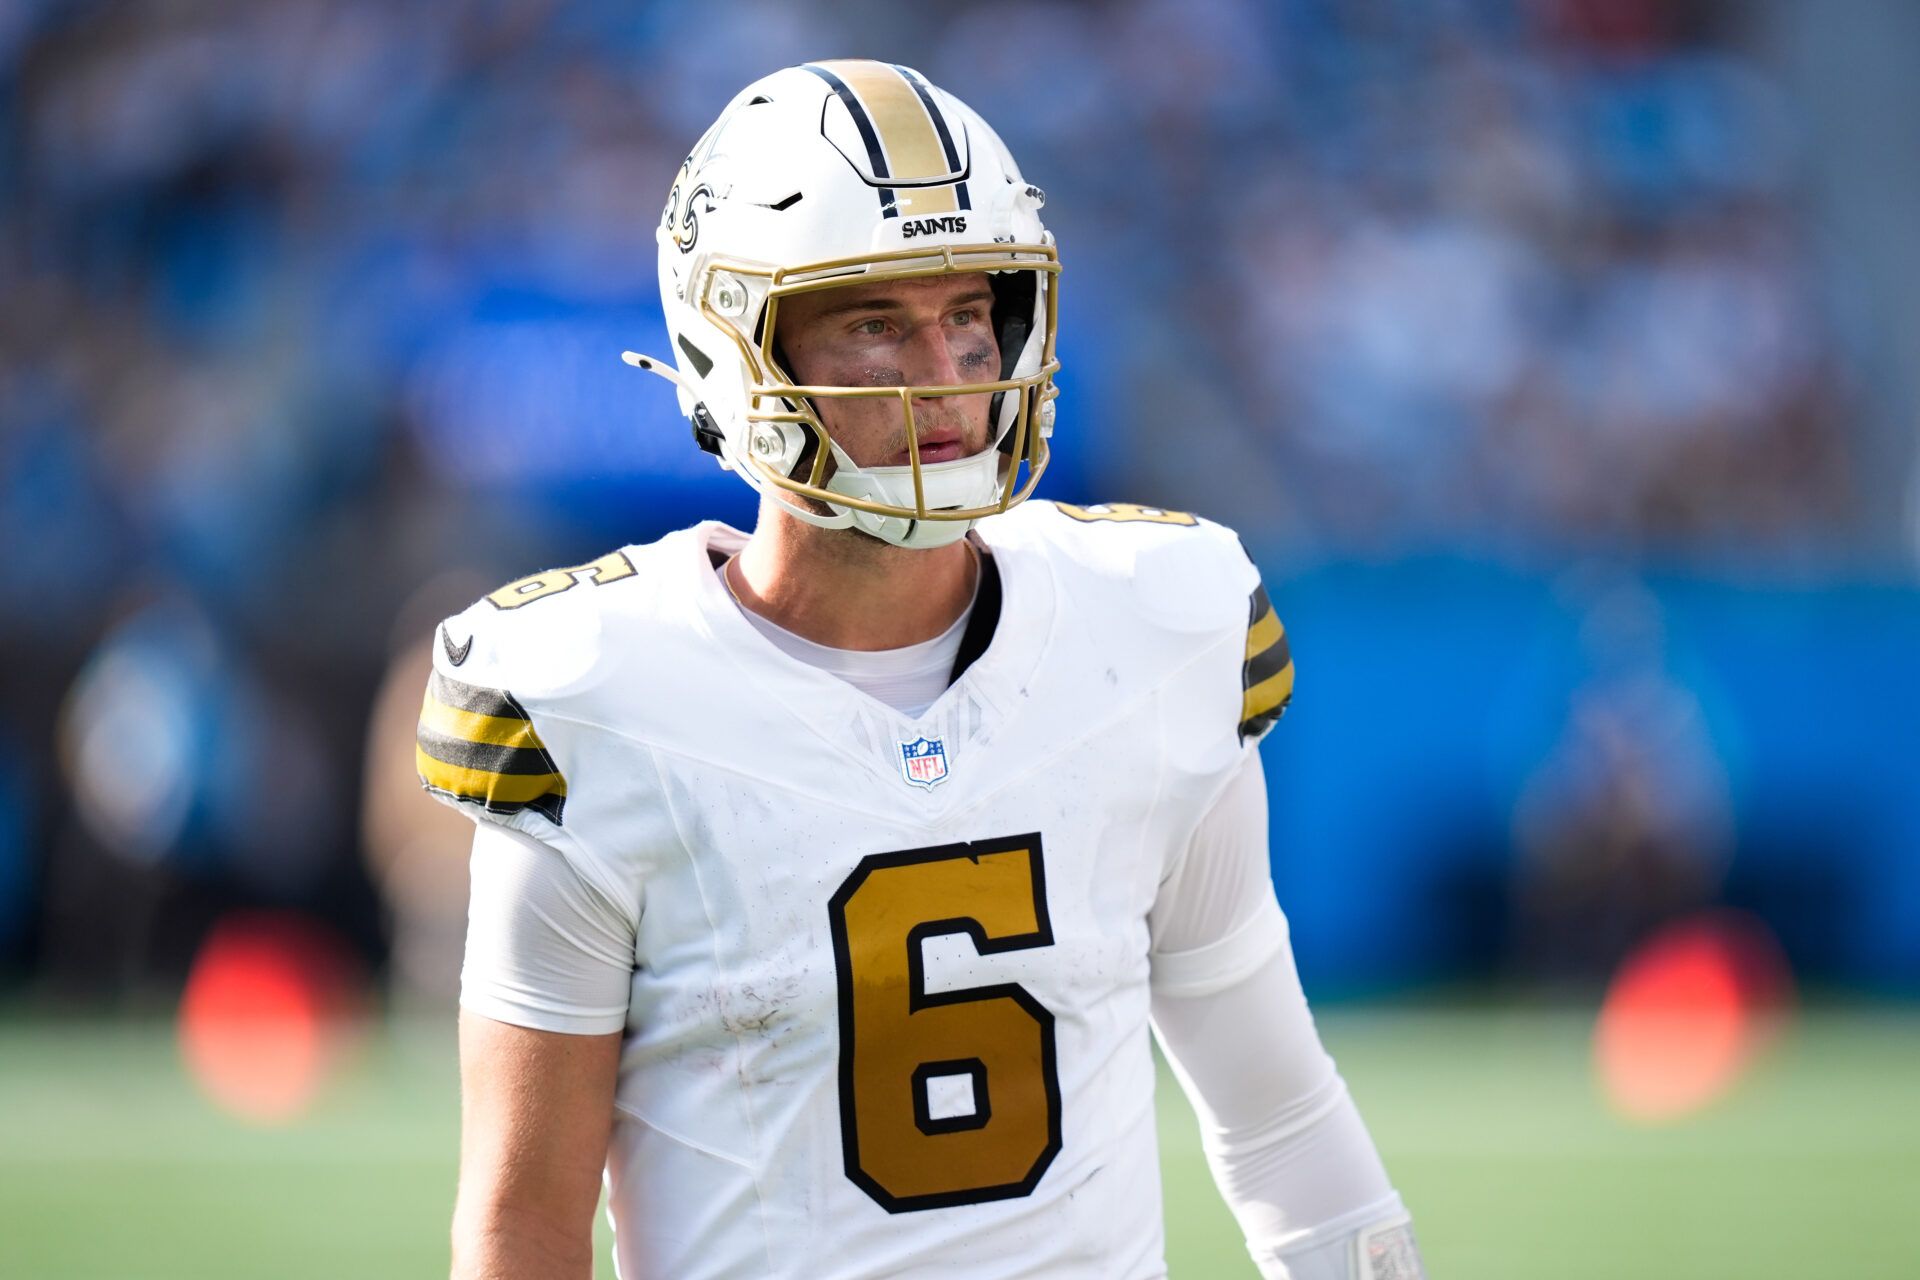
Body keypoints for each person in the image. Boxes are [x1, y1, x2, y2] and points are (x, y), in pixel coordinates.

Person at [417, 59, 1424, 1280]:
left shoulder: (1160, 627)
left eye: (967, 315)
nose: (947, 376)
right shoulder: (596, 698)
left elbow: (1279, 1114)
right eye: (874, 322)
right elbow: (523, 1226)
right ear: (729, 345)